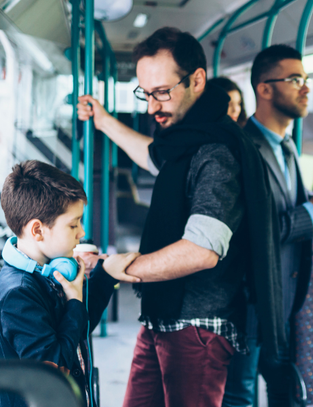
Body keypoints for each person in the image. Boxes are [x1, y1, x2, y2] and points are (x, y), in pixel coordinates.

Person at [77, 27, 277, 407]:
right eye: (146, 94)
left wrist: (124, 267)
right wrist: (102, 121)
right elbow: (153, 156)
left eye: (162, 92)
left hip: (197, 327)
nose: (152, 106)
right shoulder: (185, 141)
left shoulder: (216, 150)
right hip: (162, 315)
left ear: (197, 80)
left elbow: (202, 250)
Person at [223, 44, 313, 407]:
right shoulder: (242, 149)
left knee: (287, 391)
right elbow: (246, 233)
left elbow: (284, 208)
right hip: (249, 297)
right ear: (264, 88)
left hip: (287, 295)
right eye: (295, 79)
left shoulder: (288, 147)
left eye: (306, 79)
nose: (306, 88)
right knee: (240, 396)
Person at [0, 160, 140, 407]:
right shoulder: (19, 294)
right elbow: (55, 373)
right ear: (38, 231)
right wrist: (74, 301)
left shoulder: (49, 272)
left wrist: (104, 276)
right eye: (73, 224)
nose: (81, 232)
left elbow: (76, 332)